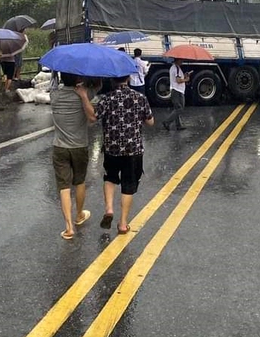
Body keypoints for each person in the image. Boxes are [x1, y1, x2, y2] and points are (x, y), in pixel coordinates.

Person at [78, 75, 154, 235]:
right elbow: (150, 121)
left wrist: (84, 97)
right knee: (128, 185)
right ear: (128, 79)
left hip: (112, 148)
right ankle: (123, 224)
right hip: (133, 150)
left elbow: (92, 117)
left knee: (110, 178)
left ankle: (109, 209)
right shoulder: (140, 97)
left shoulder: (107, 99)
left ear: (112, 81)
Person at [51, 72, 95, 240]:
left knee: (64, 186)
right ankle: (79, 215)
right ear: (78, 79)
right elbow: (97, 86)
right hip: (79, 146)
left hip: (59, 146)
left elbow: (53, 84)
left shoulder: (54, 95)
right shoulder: (85, 94)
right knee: (79, 181)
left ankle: (68, 226)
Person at [162, 58, 192, 131]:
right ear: (177, 60)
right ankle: (167, 122)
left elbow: (178, 78)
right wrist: (186, 79)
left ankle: (178, 125)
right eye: (181, 60)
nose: (182, 61)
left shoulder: (174, 68)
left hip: (176, 90)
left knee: (177, 108)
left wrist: (184, 75)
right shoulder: (176, 68)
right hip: (177, 91)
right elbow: (178, 80)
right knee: (179, 109)